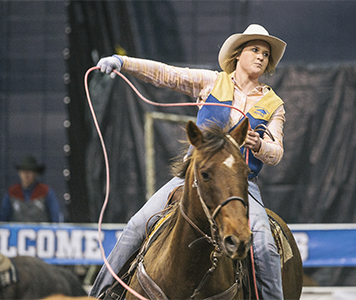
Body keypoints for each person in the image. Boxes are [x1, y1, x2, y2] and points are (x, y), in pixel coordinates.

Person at [91, 24, 286, 299]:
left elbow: (276, 152)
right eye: (255, 49)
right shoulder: (212, 81)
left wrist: (261, 145)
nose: (261, 57)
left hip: (240, 185)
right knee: (137, 224)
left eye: (266, 54)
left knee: (264, 246)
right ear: (238, 54)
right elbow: (166, 74)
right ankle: (100, 294)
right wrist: (123, 63)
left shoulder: (273, 104)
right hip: (194, 176)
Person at [0, 155, 63, 223]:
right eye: (23, 171)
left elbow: (56, 217)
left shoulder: (46, 192)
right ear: (19, 173)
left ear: (35, 173)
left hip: (40, 231)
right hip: (17, 231)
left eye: (29, 171)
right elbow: (2, 218)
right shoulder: (11, 192)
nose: (26, 175)